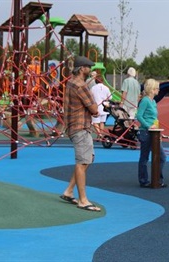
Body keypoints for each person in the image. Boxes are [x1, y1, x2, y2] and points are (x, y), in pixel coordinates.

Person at [59, 56, 101, 212]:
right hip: (80, 127)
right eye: (88, 67)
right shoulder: (81, 86)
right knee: (83, 162)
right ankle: (83, 200)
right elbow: (94, 108)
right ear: (82, 68)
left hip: (73, 125)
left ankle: (69, 190)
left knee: (89, 158)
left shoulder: (70, 82)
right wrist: (94, 108)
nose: (90, 70)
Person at [136, 78, 167, 188]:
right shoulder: (145, 101)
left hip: (154, 133)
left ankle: (157, 178)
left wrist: (158, 131)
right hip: (146, 132)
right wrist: (148, 126)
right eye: (157, 88)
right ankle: (144, 180)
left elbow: (154, 118)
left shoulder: (153, 102)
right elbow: (139, 115)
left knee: (162, 157)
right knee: (144, 157)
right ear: (152, 89)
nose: (159, 90)